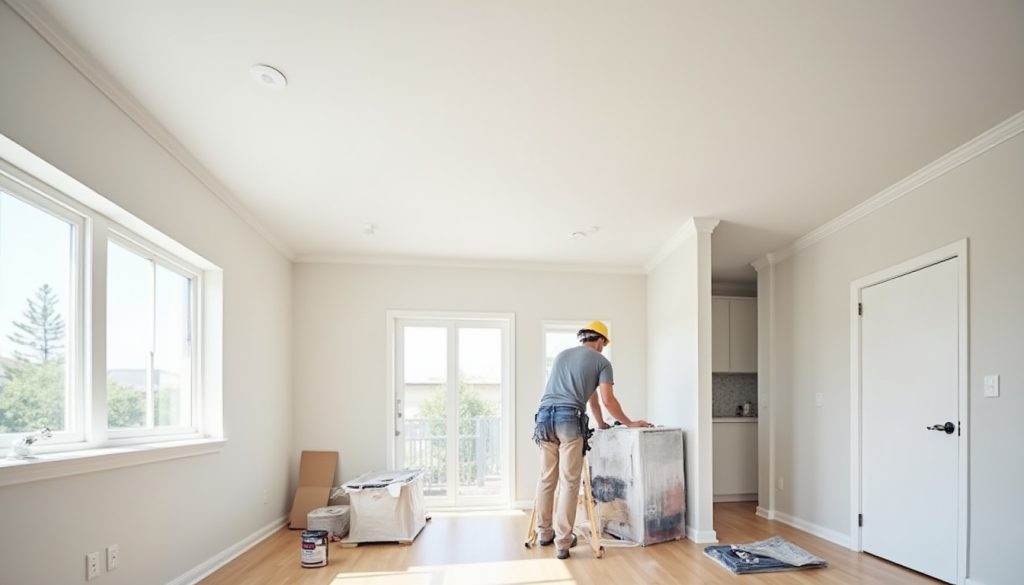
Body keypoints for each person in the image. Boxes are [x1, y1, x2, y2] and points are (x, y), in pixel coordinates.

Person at [532, 320, 650, 559]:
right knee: (569, 481)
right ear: (600, 341)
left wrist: (601, 423)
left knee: (547, 478)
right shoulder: (602, 362)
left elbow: (593, 400)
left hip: (544, 416)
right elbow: (608, 400)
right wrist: (629, 422)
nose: (603, 348)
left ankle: (544, 533)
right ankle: (563, 542)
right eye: (604, 344)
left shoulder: (562, 355)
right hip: (568, 419)